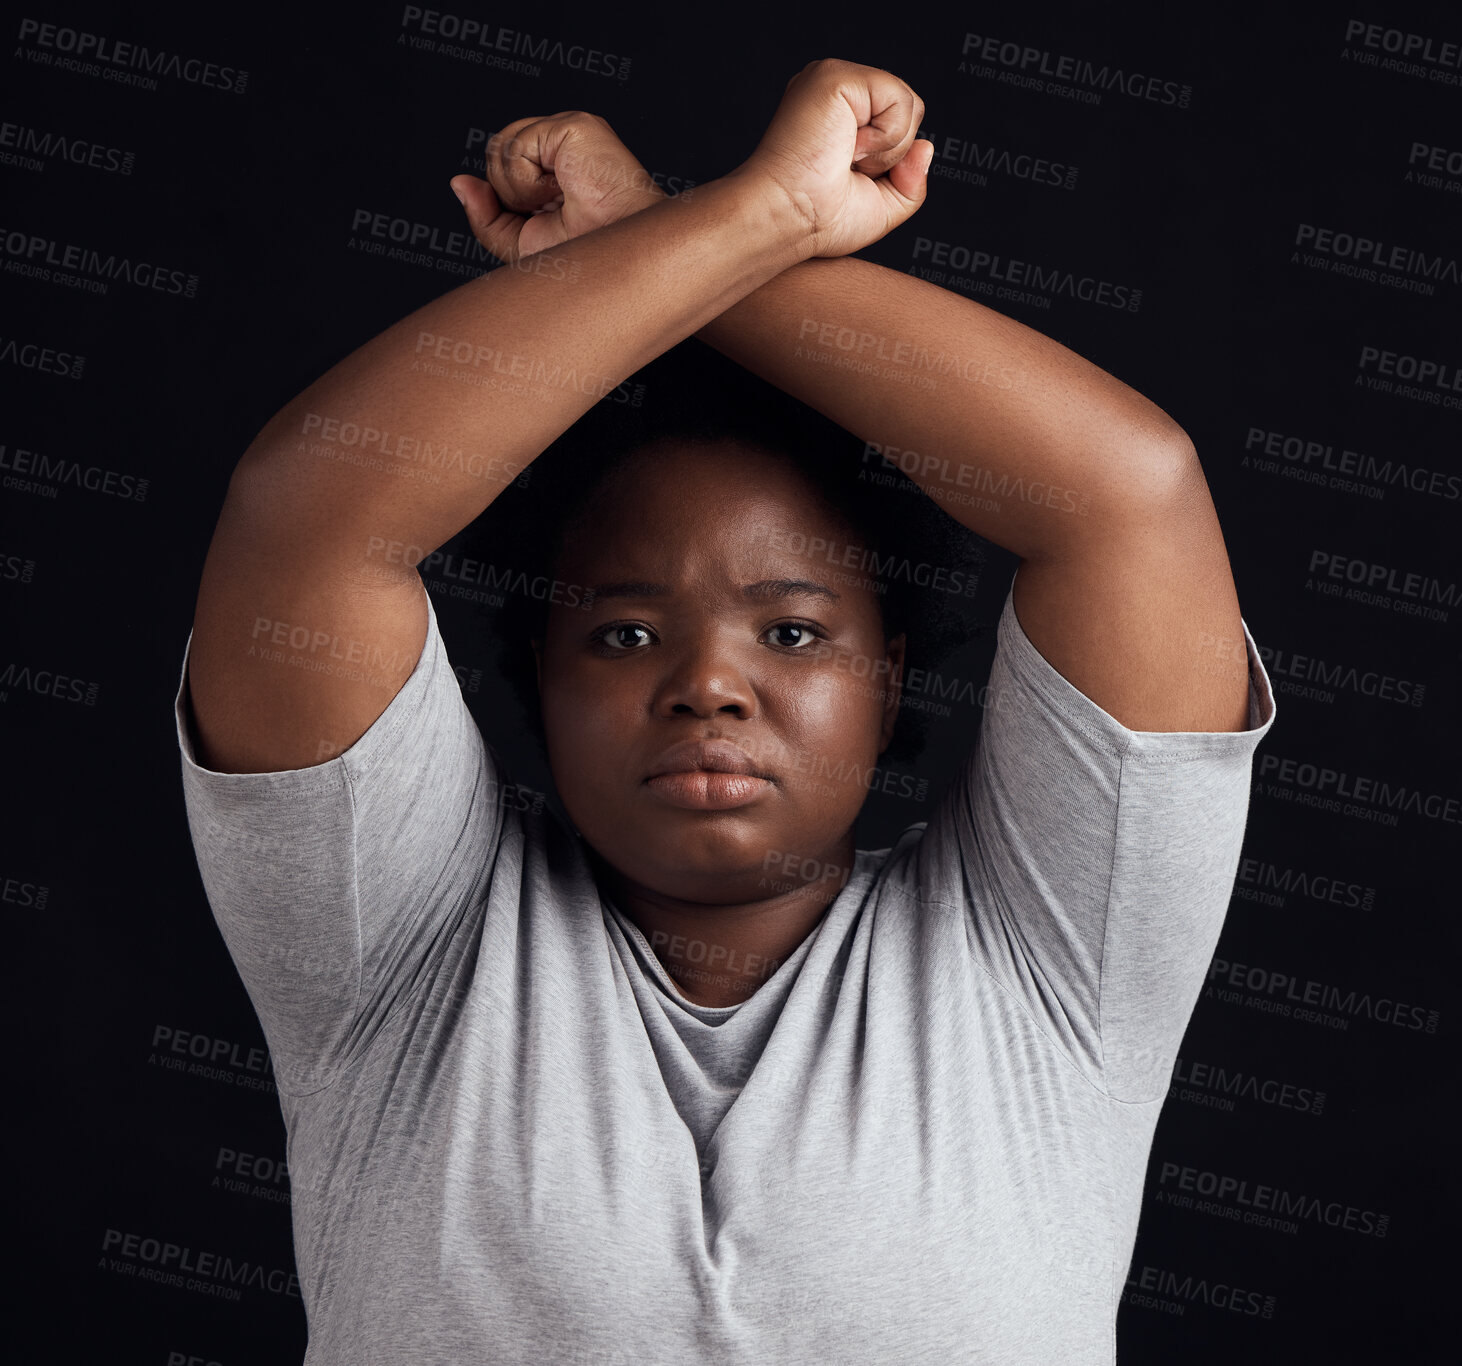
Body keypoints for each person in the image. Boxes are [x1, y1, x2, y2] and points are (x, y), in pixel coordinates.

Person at [173, 59, 1277, 1363]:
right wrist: (752, 220)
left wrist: (664, 224)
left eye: (794, 630)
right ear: (538, 669)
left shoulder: (1049, 959)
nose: (706, 682)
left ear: (892, 670)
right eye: (625, 630)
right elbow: (307, 522)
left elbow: (1126, 494)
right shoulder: (398, 952)